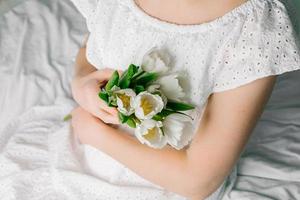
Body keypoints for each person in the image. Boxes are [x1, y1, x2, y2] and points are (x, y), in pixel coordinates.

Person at [69, 0, 300, 199]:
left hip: (163, 188)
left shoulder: (252, 28)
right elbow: (92, 46)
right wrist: (81, 82)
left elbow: (198, 181)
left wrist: (95, 134)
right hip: (82, 159)